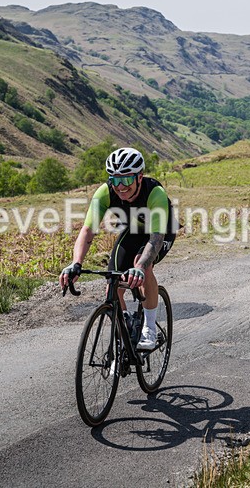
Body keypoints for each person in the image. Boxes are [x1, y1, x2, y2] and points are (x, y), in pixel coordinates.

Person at [59, 147, 176, 350]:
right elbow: (87, 231)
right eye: (115, 179)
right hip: (133, 230)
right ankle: (125, 328)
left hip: (160, 233)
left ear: (139, 177)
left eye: (127, 179)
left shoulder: (154, 193)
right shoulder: (105, 192)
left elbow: (156, 239)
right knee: (112, 283)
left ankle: (149, 328)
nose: (120, 186)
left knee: (142, 265)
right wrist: (76, 263)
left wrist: (140, 267)